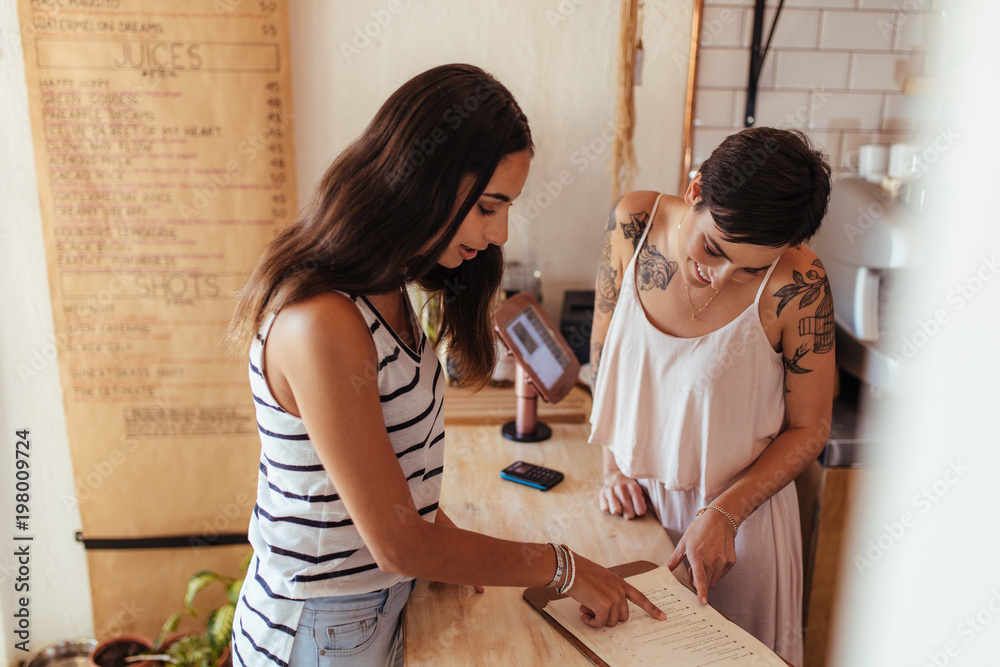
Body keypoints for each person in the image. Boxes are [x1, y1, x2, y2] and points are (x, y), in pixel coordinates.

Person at [226, 64, 665, 667]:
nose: (500, 231)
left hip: (367, 609)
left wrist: (449, 544)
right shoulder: (321, 321)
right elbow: (398, 544)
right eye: (489, 206)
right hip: (322, 628)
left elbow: (383, 480)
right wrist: (559, 566)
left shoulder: (390, 289)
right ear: (421, 179)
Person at [588, 126, 834, 665]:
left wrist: (724, 516)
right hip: (636, 510)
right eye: (713, 249)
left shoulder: (800, 281)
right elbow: (605, 355)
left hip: (742, 525)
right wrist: (615, 466)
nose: (721, 277)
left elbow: (811, 428)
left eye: (750, 269)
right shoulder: (633, 223)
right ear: (695, 188)